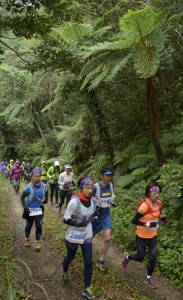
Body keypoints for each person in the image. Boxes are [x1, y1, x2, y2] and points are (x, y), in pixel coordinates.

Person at [122, 183, 169, 289]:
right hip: (142, 235)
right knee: (140, 257)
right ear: (148, 194)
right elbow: (134, 220)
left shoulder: (158, 203)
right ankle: (127, 257)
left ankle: (148, 278)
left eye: (158, 193)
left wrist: (163, 218)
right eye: (154, 193)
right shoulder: (144, 206)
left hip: (153, 235)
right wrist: (145, 224)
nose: (157, 195)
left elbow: (156, 213)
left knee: (154, 257)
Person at [62, 176, 96, 300]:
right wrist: (77, 223)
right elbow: (65, 219)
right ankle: (64, 269)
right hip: (74, 234)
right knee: (71, 256)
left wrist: (94, 218)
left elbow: (93, 213)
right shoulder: (74, 202)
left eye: (91, 188)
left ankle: (87, 288)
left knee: (88, 261)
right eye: (87, 188)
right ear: (81, 188)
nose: (90, 190)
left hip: (86, 233)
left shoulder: (93, 201)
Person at [92, 167, 115, 272]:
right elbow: (88, 200)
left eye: (111, 175)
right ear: (101, 176)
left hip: (106, 215)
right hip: (96, 215)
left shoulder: (111, 185)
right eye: (107, 175)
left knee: (107, 238)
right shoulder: (95, 187)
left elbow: (110, 199)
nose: (109, 178)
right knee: (88, 237)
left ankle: (101, 260)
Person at [20, 167, 48, 250]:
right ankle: (27, 238)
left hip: (39, 209)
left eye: (38, 176)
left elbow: (47, 192)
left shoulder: (44, 186)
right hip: (29, 209)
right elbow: (22, 198)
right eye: (35, 176)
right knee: (29, 225)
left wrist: (46, 199)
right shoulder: (28, 187)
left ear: (40, 177)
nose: (37, 178)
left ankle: (37, 241)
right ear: (32, 176)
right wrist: (25, 207)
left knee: (39, 226)